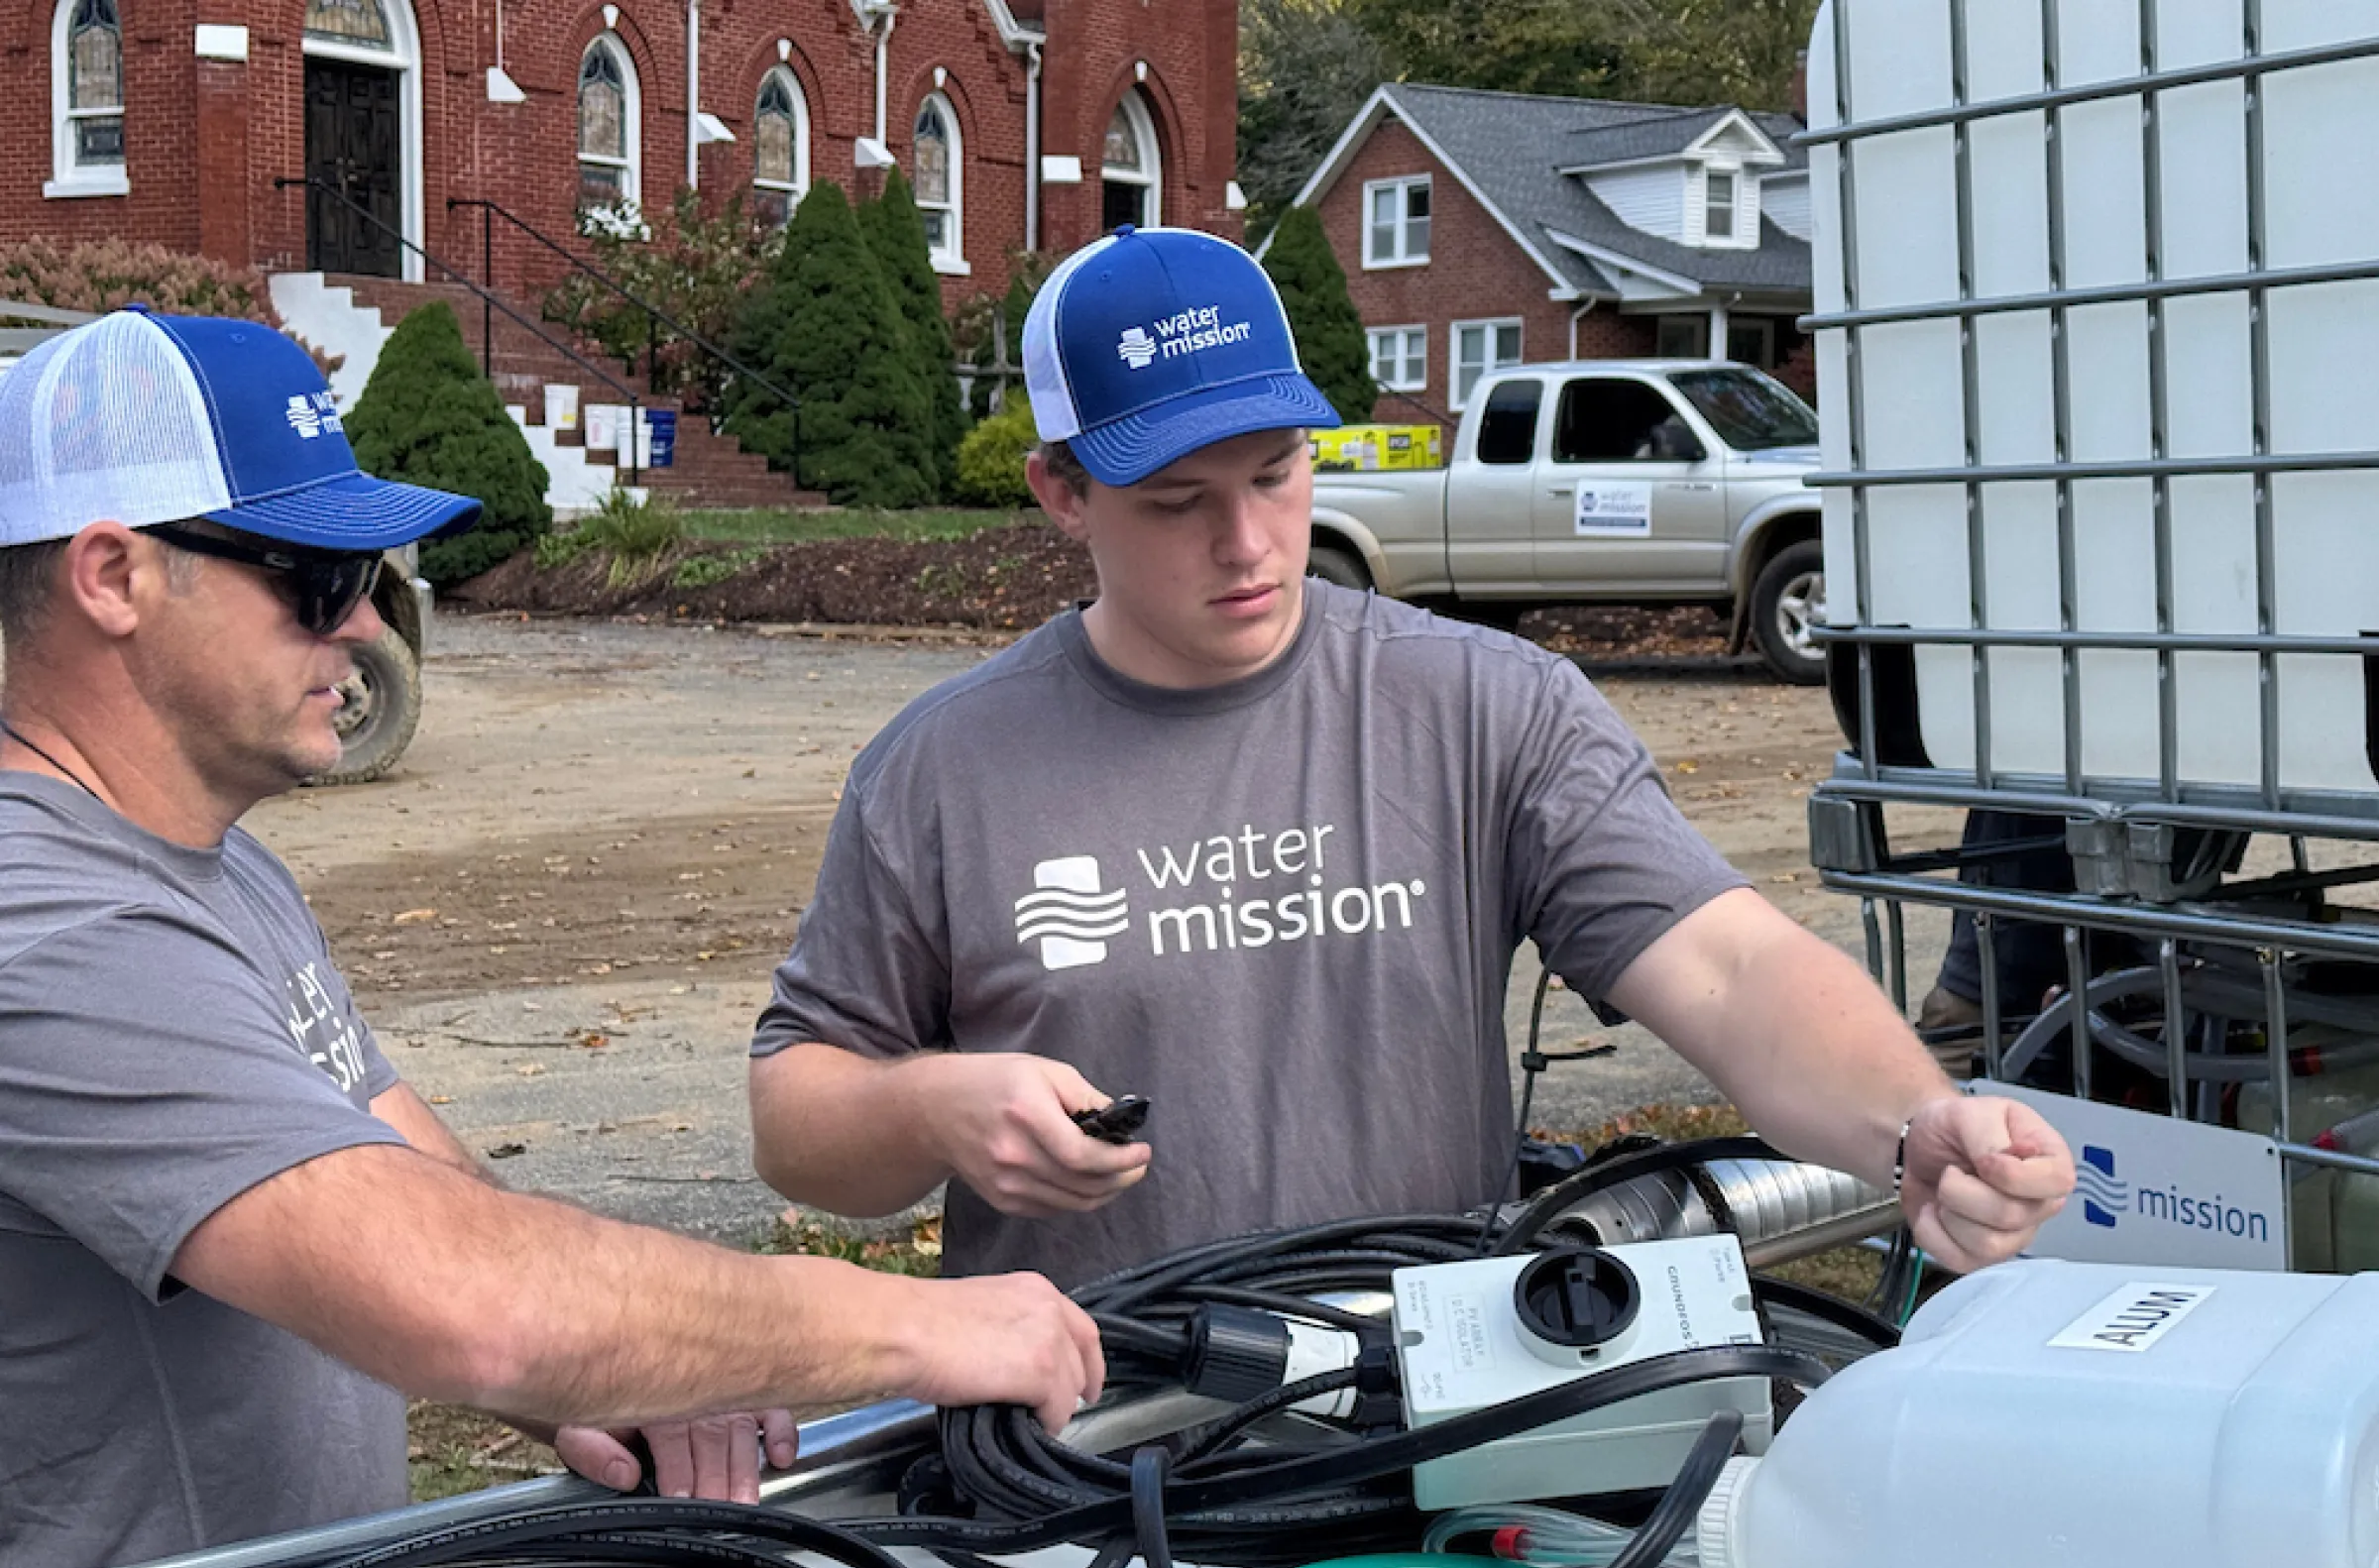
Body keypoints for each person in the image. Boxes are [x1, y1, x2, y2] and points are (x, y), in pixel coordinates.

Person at [746, 225, 2076, 1292]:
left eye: (1276, 475)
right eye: (1177, 504)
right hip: (1098, 1448)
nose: (1251, 545)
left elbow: (1729, 968)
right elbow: (798, 1117)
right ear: (1061, 493)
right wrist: (929, 1109)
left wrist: (1915, 1121)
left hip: (1436, 1418)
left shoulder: (1481, 705)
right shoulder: (943, 771)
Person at [0, 310, 1103, 1568]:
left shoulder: (210, 857)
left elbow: (421, 1178)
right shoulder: (51, 924)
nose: (366, 627)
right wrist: (920, 1323)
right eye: (317, 578)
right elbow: (467, 1298)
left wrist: (621, 1375)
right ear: (113, 576)